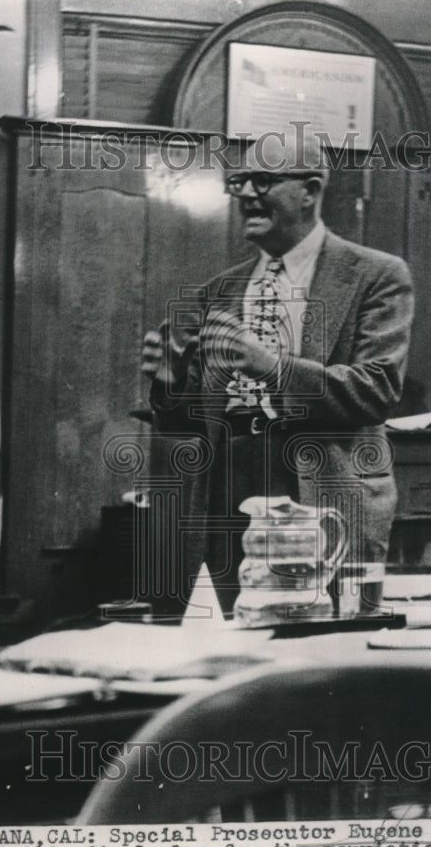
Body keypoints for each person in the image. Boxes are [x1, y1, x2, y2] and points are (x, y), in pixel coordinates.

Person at [141, 130, 414, 615]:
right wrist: (169, 388)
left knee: (328, 656)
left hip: (327, 500)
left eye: (262, 181)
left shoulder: (377, 275)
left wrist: (272, 367)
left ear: (310, 190)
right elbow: (192, 428)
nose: (246, 194)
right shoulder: (219, 290)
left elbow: (376, 391)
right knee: (240, 659)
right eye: (240, 181)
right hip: (231, 503)